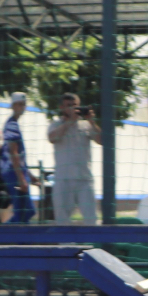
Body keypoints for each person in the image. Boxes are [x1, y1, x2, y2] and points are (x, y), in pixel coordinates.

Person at [46, 92, 101, 224]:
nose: (72, 108)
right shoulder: (55, 124)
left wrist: (91, 121)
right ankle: (66, 245)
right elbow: (52, 138)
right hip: (63, 179)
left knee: (91, 218)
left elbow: (102, 140)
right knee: (62, 219)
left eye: (75, 105)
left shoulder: (85, 125)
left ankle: (92, 244)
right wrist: (69, 123)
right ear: (61, 108)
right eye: (68, 105)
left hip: (84, 179)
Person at [0, 92, 35, 223]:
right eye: (19, 104)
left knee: (25, 212)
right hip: (14, 175)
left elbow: (19, 157)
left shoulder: (14, 124)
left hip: (17, 173)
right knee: (24, 212)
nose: (22, 107)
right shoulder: (11, 125)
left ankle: (19, 241)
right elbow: (13, 153)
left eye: (23, 104)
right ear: (13, 106)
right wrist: (21, 179)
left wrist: (30, 176)